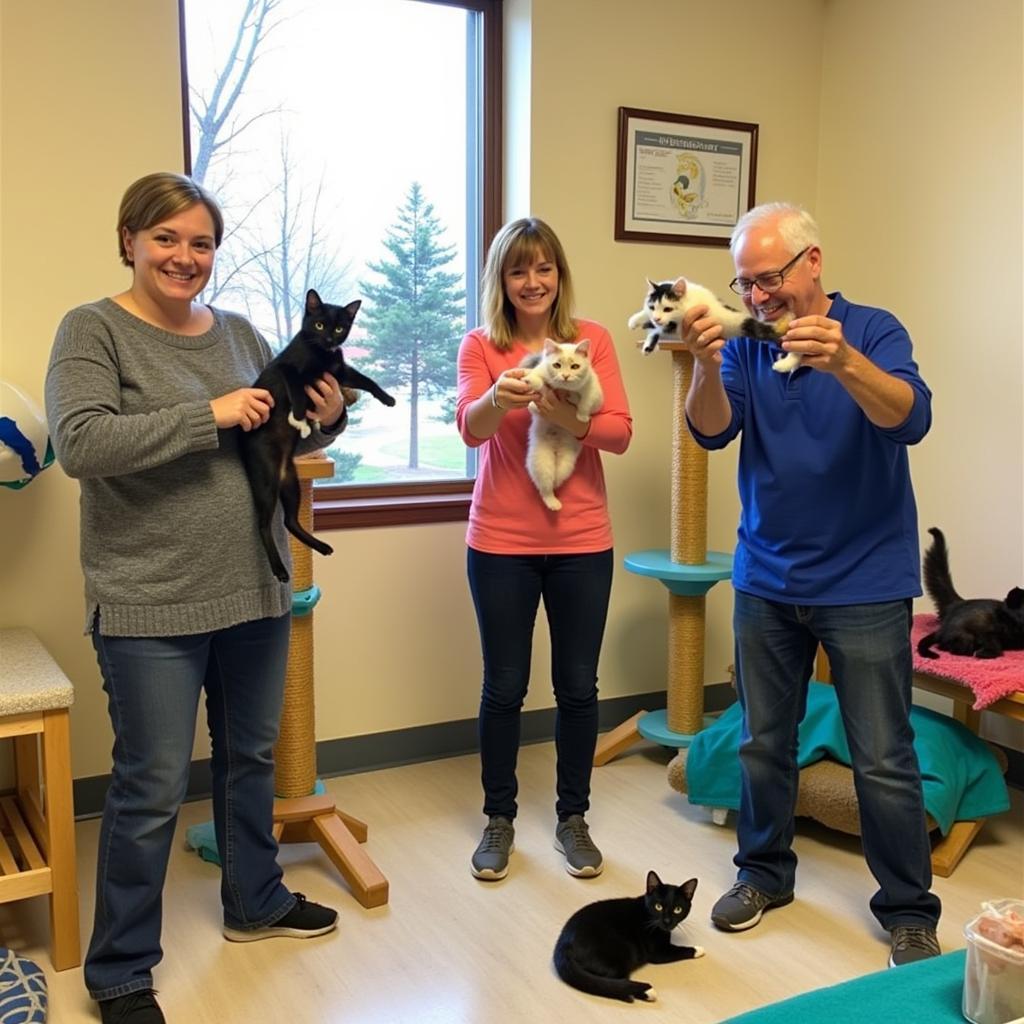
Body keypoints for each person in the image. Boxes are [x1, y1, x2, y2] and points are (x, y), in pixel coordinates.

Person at [45, 172, 348, 1024]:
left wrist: (325, 420)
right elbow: (80, 443)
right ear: (130, 240)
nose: (186, 257)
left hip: (254, 589)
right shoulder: (91, 330)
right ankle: (120, 972)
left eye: (202, 242)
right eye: (167, 238)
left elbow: (276, 424)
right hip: (150, 602)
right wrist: (207, 414)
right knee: (149, 787)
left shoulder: (243, 330)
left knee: (252, 761)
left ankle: (256, 901)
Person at [679, 201, 941, 968]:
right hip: (765, 575)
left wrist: (846, 363)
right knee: (764, 742)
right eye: (746, 283)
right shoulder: (747, 343)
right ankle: (762, 874)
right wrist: (702, 362)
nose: (758, 297)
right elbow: (710, 429)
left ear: (813, 263)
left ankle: (907, 911)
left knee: (884, 755)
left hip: (863, 579)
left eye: (770, 279)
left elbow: (911, 418)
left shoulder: (872, 330)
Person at [455, 217, 632, 881]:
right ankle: (498, 820)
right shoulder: (482, 345)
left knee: (578, 687)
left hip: (583, 539)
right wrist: (501, 397)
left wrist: (557, 410)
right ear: (502, 280)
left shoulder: (591, 343)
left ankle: (572, 818)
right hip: (500, 541)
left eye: (544, 268)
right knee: (503, 687)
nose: (533, 282)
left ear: (559, 275)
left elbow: (617, 434)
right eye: (518, 270)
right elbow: (471, 430)